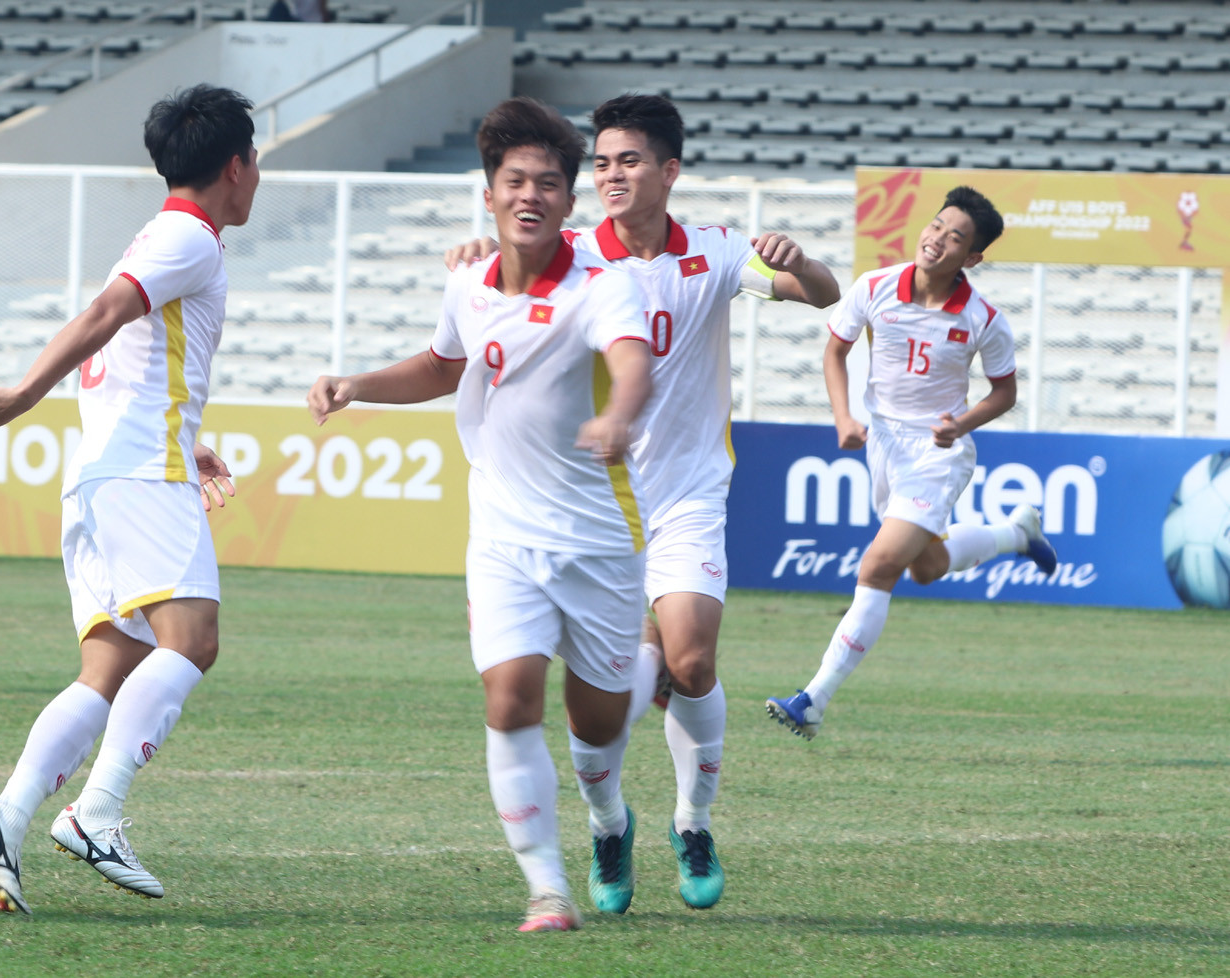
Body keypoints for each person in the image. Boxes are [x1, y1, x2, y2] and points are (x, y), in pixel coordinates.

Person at [446, 93, 840, 909]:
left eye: (628, 161)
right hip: (592, 505)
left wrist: (799, 261)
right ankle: (606, 823)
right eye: (600, 163)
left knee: (691, 661)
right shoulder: (574, 255)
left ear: (669, 170)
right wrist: (485, 252)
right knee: (606, 695)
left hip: (688, 492)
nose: (611, 175)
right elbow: (493, 295)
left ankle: (692, 820)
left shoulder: (719, 253)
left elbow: (824, 295)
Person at [308, 96, 654, 933]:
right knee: (510, 699)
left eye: (546, 183)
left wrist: (618, 417)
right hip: (503, 536)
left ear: (569, 203)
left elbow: (632, 362)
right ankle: (548, 889)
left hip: (599, 542)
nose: (529, 194)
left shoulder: (601, 289)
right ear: (490, 193)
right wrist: (358, 384)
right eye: (514, 180)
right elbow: (440, 366)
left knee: (597, 727)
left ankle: (646, 699)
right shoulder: (467, 281)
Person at [0, 84, 258, 914]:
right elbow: (105, 313)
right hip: (136, 479)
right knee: (192, 642)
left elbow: (130, 352)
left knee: (110, 666)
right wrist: (21, 394)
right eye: (256, 163)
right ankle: (98, 813)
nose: (258, 177)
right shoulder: (191, 239)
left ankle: (6, 817)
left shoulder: (162, 236)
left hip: (105, 473)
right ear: (236, 164)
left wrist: (184, 437)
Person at [765, 186, 1058, 741]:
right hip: (883, 446)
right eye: (936, 226)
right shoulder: (874, 287)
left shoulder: (983, 319)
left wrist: (961, 424)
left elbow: (1004, 393)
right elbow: (834, 351)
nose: (938, 240)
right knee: (926, 567)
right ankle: (1017, 534)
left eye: (956, 238)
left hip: (937, 454)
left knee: (877, 567)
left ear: (972, 258)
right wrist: (843, 417)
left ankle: (813, 699)